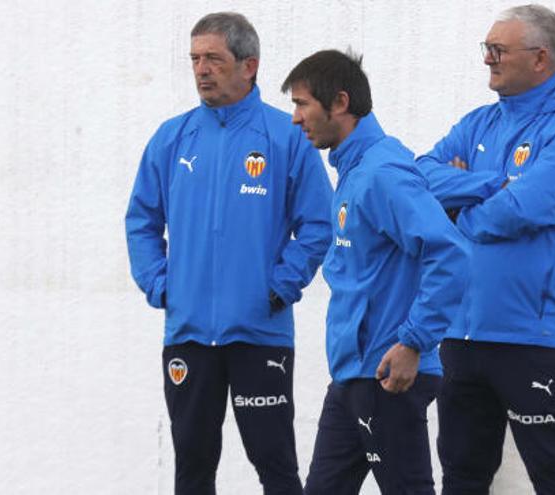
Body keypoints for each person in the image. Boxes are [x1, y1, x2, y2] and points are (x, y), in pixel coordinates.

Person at [125, 12, 332, 495]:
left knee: (275, 464)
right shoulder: (172, 138)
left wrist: (280, 288)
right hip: (188, 335)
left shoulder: (286, 137)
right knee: (193, 467)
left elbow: (319, 225)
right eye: (195, 59)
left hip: (260, 333)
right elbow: (141, 220)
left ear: (249, 65)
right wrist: (160, 285)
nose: (201, 69)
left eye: (214, 59)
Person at [416, 5, 555, 494]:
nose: (487, 60)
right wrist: (490, 184)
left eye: (497, 50)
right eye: (486, 48)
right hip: (462, 333)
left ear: (540, 58)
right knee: (461, 480)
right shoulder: (478, 123)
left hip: (537, 340)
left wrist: (458, 201)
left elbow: (517, 210)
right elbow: (418, 178)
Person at [281, 49, 468, 495]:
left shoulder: (383, 172)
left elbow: (450, 254)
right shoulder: (355, 170)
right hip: (352, 375)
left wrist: (413, 342)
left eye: (303, 103)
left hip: (387, 376)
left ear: (339, 102)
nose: (295, 118)